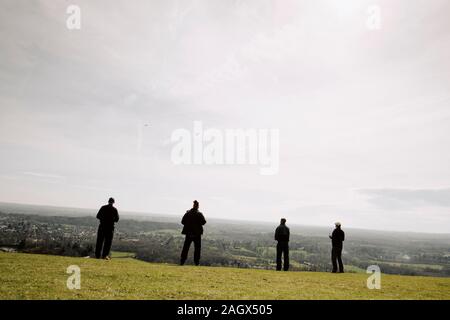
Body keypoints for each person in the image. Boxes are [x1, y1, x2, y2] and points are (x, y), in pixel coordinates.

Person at [180, 200, 206, 266]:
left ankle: (182, 261)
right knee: (197, 249)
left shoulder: (188, 213)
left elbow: (182, 222)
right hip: (197, 234)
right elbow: (204, 222)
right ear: (197, 206)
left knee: (186, 248)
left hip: (188, 234)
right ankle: (196, 262)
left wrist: (188, 225)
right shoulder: (199, 214)